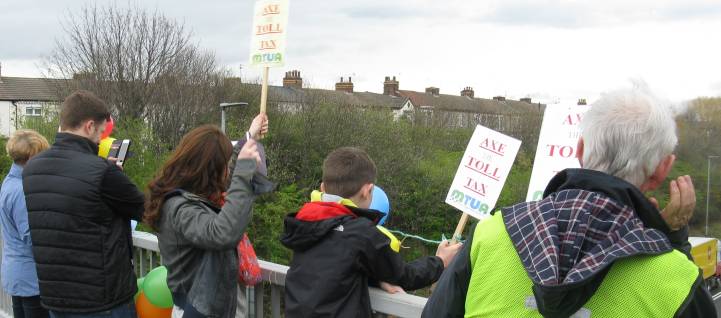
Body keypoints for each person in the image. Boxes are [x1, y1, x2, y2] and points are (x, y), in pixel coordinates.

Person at [422, 86, 717, 317]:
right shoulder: (675, 277)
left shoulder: (489, 234)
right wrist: (676, 241)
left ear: (580, 148)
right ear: (661, 170)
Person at [281, 147, 462, 317]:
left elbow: (331, 269)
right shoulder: (360, 232)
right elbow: (404, 275)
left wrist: (375, 278)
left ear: (322, 188)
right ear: (368, 191)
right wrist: (440, 262)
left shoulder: (304, 220)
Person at [22, 90, 145, 317]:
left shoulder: (32, 168)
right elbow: (145, 208)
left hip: (56, 299)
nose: (101, 139)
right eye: (100, 132)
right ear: (89, 126)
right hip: (103, 302)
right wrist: (112, 175)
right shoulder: (102, 172)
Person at [145, 116, 267, 318]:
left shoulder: (191, 196)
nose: (228, 170)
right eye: (224, 165)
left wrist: (250, 136)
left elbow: (228, 180)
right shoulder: (180, 208)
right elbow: (223, 233)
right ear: (211, 170)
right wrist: (245, 172)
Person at [1, 130, 50, 318]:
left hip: (17, 274)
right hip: (31, 279)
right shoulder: (22, 190)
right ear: (32, 157)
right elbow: (31, 236)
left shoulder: (9, 182)